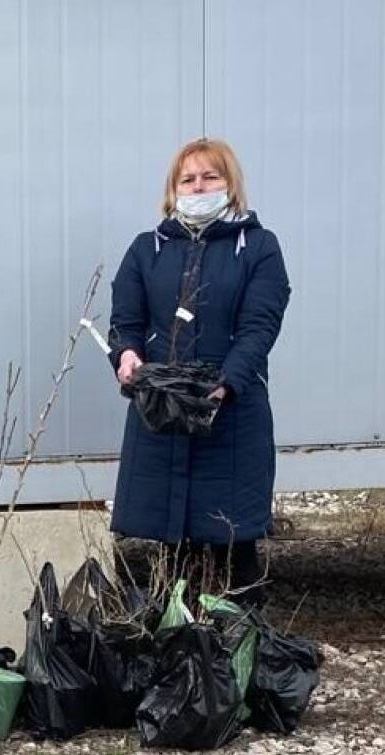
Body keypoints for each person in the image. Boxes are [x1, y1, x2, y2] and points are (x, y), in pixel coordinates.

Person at [108, 137, 290, 606]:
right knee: (169, 550)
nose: (199, 186)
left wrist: (225, 383)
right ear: (173, 190)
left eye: (211, 176)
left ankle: (239, 648)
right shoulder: (145, 250)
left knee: (234, 544)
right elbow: (125, 323)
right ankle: (174, 653)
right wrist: (126, 357)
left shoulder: (259, 249)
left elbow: (259, 325)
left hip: (232, 418)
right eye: (188, 179)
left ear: (230, 184)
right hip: (161, 416)